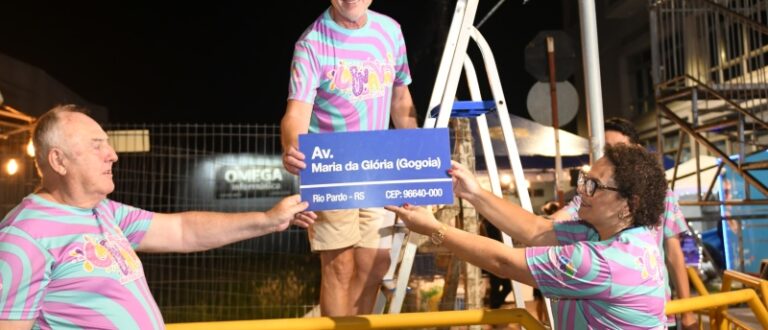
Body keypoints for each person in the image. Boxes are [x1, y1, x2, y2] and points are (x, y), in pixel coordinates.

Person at [0, 105, 315, 329]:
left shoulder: (104, 212)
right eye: (97, 146)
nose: (112, 154)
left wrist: (269, 219)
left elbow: (182, 230)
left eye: (107, 144)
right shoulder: (25, 237)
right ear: (59, 160)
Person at [387, 144, 669, 329]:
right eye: (583, 178)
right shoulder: (635, 238)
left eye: (594, 185)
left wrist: (435, 230)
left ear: (628, 204)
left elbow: (504, 263)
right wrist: (472, 192)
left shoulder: (603, 261)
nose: (581, 189)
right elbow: (536, 230)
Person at [280, 0, 418, 317]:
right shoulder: (311, 43)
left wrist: (415, 155)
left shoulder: (391, 31)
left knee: (375, 264)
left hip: (377, 165)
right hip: (331, 169)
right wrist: (291, 146)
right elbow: (296, 112)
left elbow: (401, 98)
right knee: (339, 267)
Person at [551, 117, 696, 329]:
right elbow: (559, 217)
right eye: (607, 149)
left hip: (654, 305)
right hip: (608, 303)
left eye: (617, 148)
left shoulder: (663, 194)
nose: (611, 156)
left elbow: (674, 252)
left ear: (636, 150)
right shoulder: (596, 193)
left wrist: (688, 311)